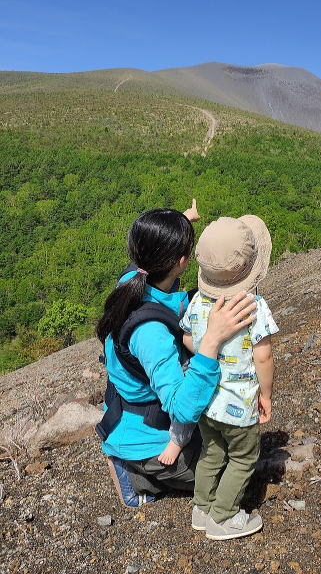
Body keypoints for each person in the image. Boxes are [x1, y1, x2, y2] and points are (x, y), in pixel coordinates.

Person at [96, 202, 257, 506]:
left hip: (129, 403)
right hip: (146, 438)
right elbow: (180, 409)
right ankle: (135, 476)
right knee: (229, 473)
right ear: (181, 262)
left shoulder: (134, 275)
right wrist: (210, 342)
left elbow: (155, 247)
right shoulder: (151, 334)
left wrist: (183, 219)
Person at [179, 215, 278, 540]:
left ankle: (202, 507)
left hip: (207, 403)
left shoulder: (197, 302)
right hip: (239, 405)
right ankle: (222, 517)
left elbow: (188, 341)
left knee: (212, 451)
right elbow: (263, 355)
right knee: (243, 457)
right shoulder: (254, 307)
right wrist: (266, 396)